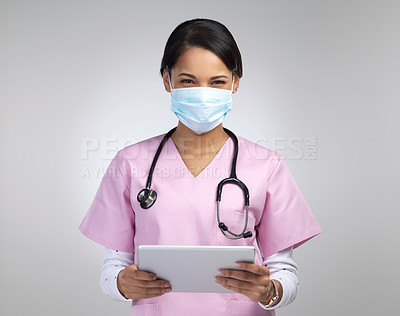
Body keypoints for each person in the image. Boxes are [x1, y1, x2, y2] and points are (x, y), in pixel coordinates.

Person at [79, 18, 322, 315]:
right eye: (188, 81)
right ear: (167, 80)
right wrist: (121, 285)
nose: (203, 92)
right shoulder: (131, 163)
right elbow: (113, 269)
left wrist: (271, 290)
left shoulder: (266, 166)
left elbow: (284, 272)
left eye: (217, 82)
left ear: (235, 83)